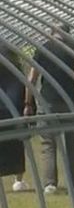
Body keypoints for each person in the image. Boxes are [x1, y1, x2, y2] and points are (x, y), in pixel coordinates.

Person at [25, 23, 74, 194]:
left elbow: (32, 78)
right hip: (71, 101)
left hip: (48, 101)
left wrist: (28, 103)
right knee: (73, 142)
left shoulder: (43, 49)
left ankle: (50, 184)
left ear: (51, 33)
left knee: (48, 143)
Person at [0, 41, 31, 192]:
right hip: (14, 110)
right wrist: (28, 105)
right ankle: (18, 181)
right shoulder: (16, 69)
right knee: (18, 143)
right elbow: (23, 87)